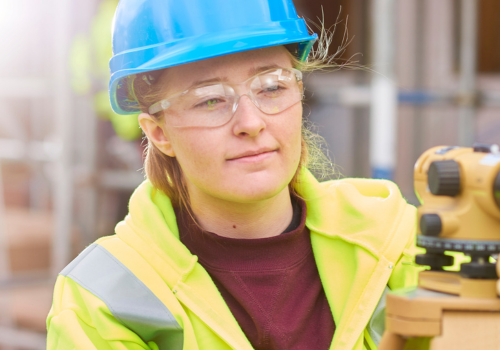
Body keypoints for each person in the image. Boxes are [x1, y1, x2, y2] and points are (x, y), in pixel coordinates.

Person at [46, 0, 420, 349]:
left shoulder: (392, 238)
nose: (251, 123)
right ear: (158, 133)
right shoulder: (103, 295)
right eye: (210, 99)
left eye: (272, 87)